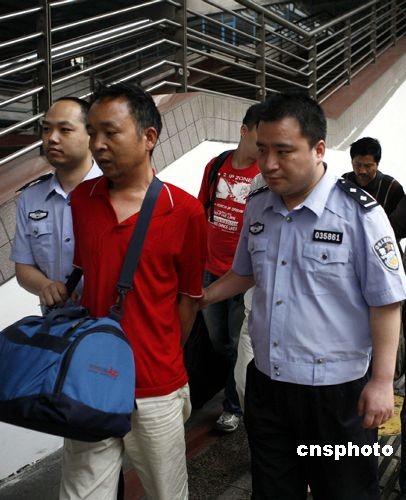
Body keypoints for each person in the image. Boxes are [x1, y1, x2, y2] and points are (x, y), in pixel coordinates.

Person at [201, 92, 406, 499]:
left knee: (345, 491)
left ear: (318, 149)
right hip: (269, 385)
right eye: (262, 149)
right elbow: (245, 272)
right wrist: (202, 297)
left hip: (336, 396)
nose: (268, 163)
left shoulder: (360, 214)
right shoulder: (258, 205)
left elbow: (385, 301)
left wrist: (382, 381)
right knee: (273, 489)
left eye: (283, 151)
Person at [52, 82, 206, 500]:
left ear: (148, 137)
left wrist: (160, 352)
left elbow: (188, 301)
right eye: (92, 132)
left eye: (110, 132)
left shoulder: (185, 211)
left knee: (166, 493)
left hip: (155, 386)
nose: (97, 144)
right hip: (90, 382)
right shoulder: (82, 200)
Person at [197, 102, 262, 432]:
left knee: (238, 344)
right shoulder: (216, 166)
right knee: (219, 341)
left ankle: (232, 406)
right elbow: (200, 213)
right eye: (260, 138)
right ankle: (230, 386)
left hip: (244, 276)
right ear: (243, 131)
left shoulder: (263, 177)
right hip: (211, 271)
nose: (264, 148)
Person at [10, 97, 101, 308]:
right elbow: (23, 266)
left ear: (91, 134)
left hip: (107, 321)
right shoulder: (30, 198)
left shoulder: (113, 190)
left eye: (65, 130)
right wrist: (45, 286)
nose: (52, 138)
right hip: (57, 321)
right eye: (46, 129)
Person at [343, 136, 404, 218]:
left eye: (368, 166)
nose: (362, 171)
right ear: (352, 161)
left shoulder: (392, 188)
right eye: (357, 164)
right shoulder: (345, 181)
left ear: (377, 163)